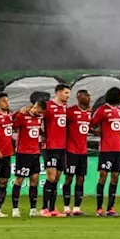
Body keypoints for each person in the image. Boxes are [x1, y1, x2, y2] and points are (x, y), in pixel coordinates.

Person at [91, 87, 120, 217]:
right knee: (103, 176)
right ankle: (99, 208)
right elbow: (91, 124)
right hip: (106, 149)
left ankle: (110, 208)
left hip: (117, 149)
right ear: (116, 96)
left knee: (115, 177)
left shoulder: (118, 110)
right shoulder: (102, 110)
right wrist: (98, 133)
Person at [10, 97, 47, 218]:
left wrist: (43, 135)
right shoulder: (23, 115)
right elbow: (14, 125)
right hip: (23, 153)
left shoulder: (39, 118)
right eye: (40, 111)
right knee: (19, 179)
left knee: (34, 180)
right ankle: (15, 209)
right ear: (35, 107)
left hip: (35, 153)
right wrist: (19, 113)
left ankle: (33, 209)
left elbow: (38, 131)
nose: (41, 114)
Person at [40, 84, 71, 217]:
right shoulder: (47, 106)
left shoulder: (65, 108)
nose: (68, 95)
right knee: (51, 177)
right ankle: (43, 208)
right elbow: (37, 119)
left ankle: (52, 209)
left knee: (57, 178)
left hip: (62, 148)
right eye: (66, 93)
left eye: (69, 93)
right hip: (50, 147)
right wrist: (42, 134)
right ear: (58, 93)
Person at [63, 89, 93, 216]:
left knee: (80, 179)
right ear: (79, 97)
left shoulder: (89, 112)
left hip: (83, 152)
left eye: (89, 96)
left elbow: (89, 128)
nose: (89, 98)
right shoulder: (70, 112)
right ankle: (66, 207)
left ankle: (76, 208)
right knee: (69, 178)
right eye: (87, 96)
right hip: (71, 151)